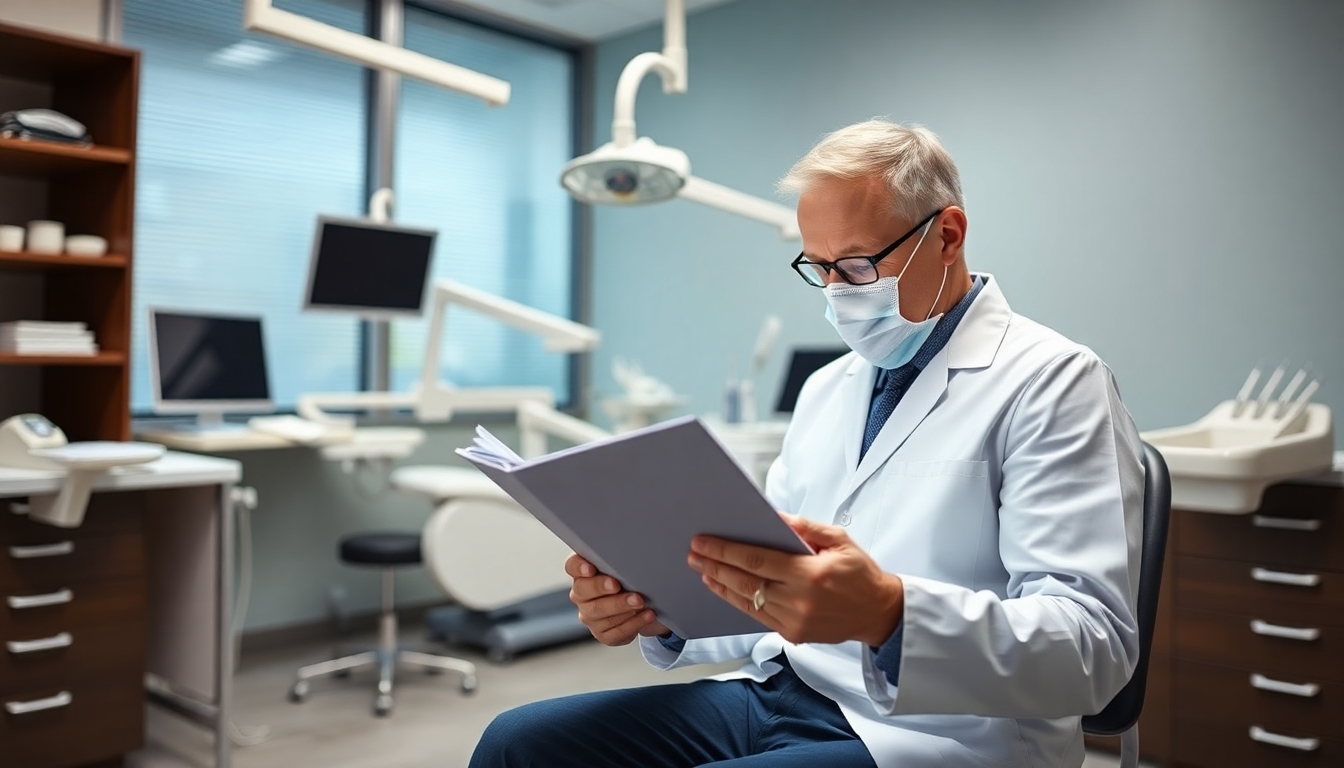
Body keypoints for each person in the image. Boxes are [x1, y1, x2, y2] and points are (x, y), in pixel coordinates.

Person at [469, 119, 1144, 768]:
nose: (834, 293)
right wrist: (658, 612)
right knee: (518, 744)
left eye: (854, 266)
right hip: (784, 692)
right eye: (817, 267)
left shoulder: (1054, 381)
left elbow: (1095, 651)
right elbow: (768, 587)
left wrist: (891, 614)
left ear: (948, 235)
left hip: (944, 736)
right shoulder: (829, 388)